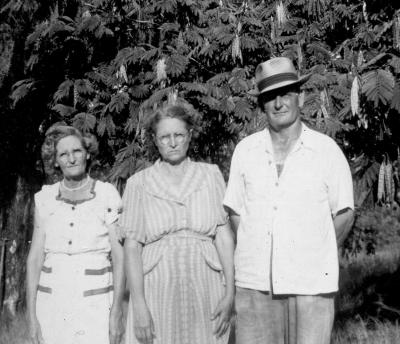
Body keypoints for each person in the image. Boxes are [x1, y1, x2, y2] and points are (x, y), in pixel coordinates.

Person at [223, 57, 354, 344]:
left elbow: (344, 213)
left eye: (286, 94)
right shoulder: (246, 151)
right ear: (262, 105)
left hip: (311, 288)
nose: (279, 103)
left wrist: (314, 255)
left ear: (301, 97)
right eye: (270, 97)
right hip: (254, 286)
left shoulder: (326, 151)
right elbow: (235, 214)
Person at [120, 103, 235, 344]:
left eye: (179, 135)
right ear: (154, 139)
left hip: (205, 284)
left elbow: (224, 238)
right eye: (164, 137)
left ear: (190, 136)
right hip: (157, 287)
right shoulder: (138, 183)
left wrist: (230, 292)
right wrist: (139, 304)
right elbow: (132, 248)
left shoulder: (210, 174)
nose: (172, 143)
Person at [26, 125, 125, 344]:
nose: (71, 159)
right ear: (55, 161)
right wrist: (31, 316)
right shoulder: (45, 198)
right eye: (63, 154)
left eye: (77, 151)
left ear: (87, 153)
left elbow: (120, 257)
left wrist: (116, 311)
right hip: (52, 302)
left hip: (95, 302)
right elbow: (34, 259)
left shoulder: (106, 193)